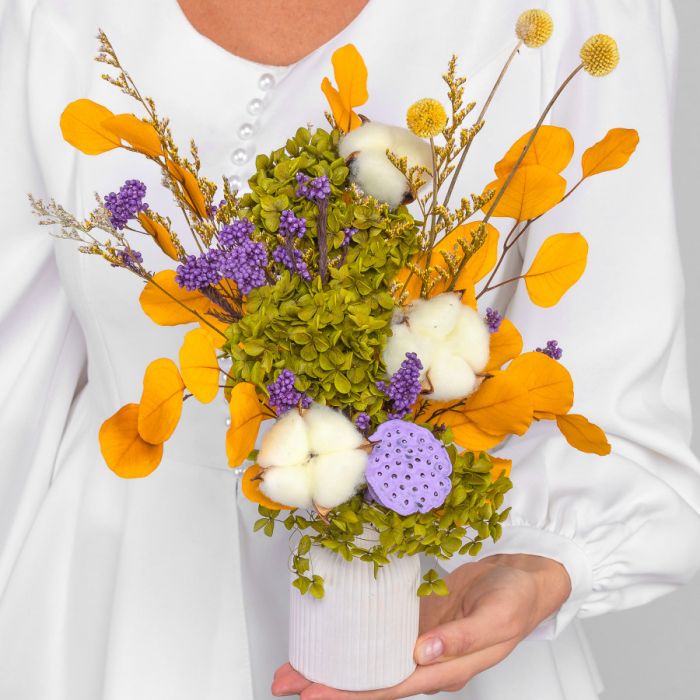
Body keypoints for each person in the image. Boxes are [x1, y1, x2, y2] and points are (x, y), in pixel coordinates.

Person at [0, 0, 698, 698]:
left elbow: (611, 401)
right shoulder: (45, 14)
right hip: (107, 617)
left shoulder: (580, 16)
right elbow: (16, 377)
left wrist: (541, 563)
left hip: (426, 620)